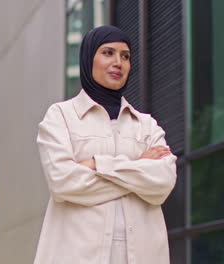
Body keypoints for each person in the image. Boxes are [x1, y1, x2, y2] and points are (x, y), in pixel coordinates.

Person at [34, 25, 177, 264]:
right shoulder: (61, 116)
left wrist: (96, 164)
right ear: (89, 59)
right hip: (76, 256)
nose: (118, 62)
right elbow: (63, 182)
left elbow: (163, 182)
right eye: (108, 53)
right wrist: (139, 167)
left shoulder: (146, 124)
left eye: (125, 56)